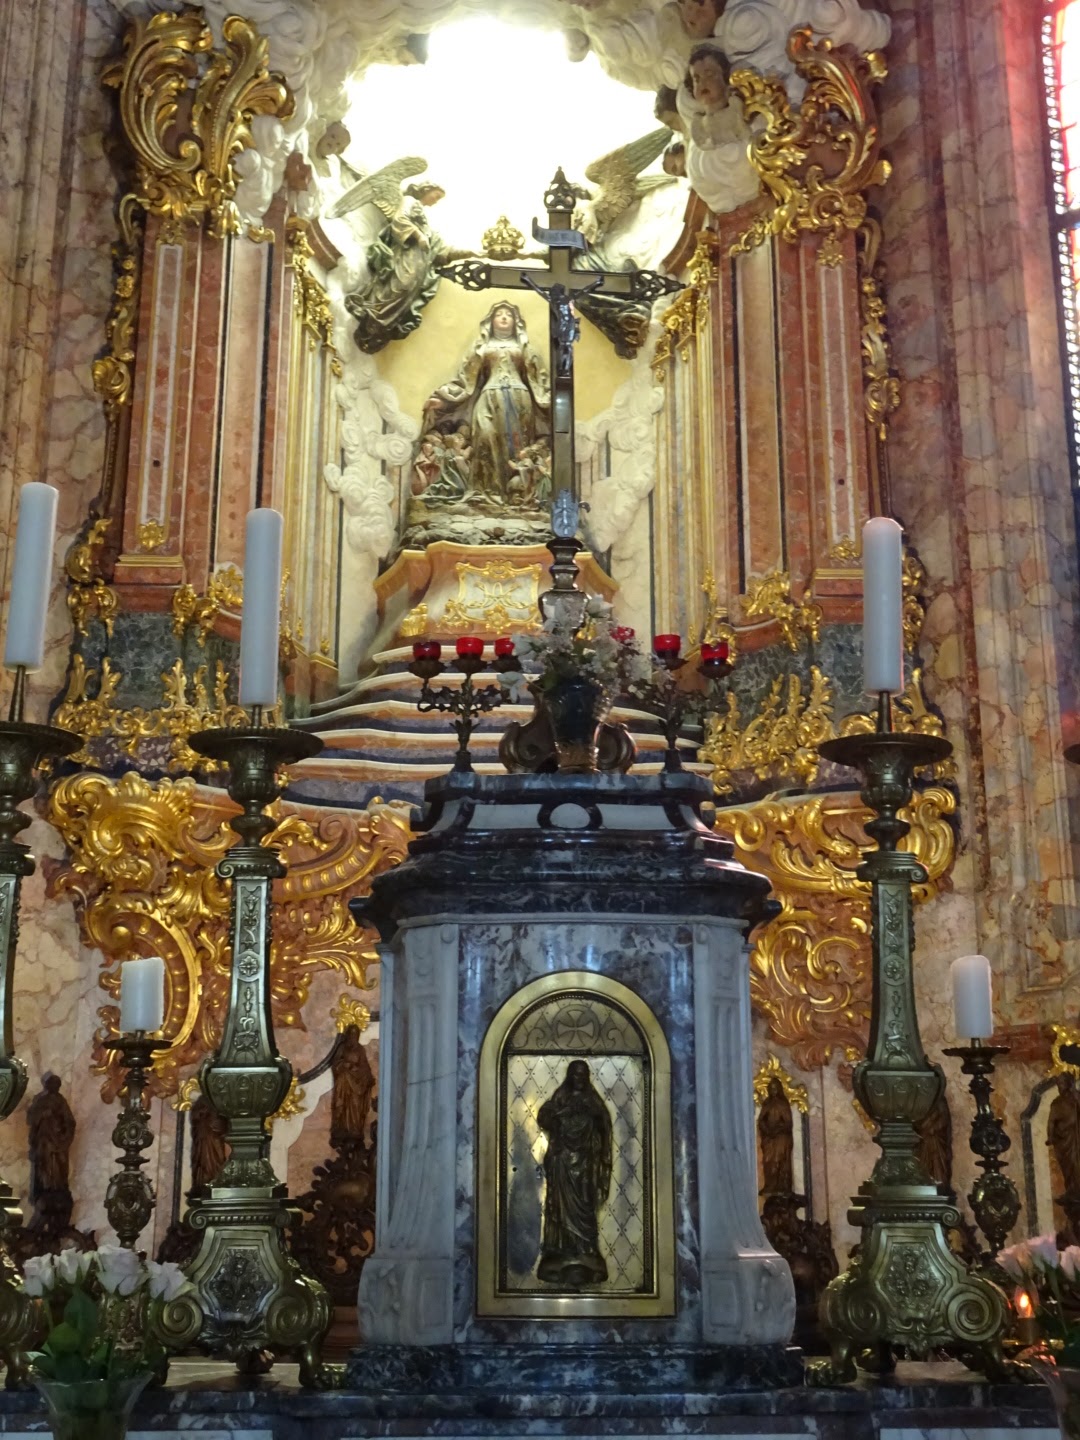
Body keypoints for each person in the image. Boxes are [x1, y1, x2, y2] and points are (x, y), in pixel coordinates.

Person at [420, 302, 551, 507]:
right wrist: (444, 400)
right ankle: (484, 491)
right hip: (488, 396)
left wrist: (553, 404)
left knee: (516, 443)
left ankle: (516, 494)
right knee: (484, 437)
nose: (504, 317)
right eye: (499, 314)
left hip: (519, 399)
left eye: (509, 314)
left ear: (516, 321)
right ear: (490, 320)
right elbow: (465, 379)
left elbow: (539, 380)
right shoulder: (481, 347)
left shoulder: (526, 348)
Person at [536, 1060, 613, 1287]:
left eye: (583, 1074)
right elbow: (545, 1117)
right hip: (562, 1163)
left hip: (585, 1166)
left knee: (585, 1207)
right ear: (570, 1076)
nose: (580, 1078)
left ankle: (586, 1250)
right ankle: (560, 1251)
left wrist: (594, 1120)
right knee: (559, 1209)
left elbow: (604, 1126)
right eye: (576, 1074)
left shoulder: (593, 1102)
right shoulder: (561, 1098)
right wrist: (559, 1114)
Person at [27, 1075, 76, 1202]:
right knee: (44, 1163)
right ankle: (45, 1186)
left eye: (56, 1085)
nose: (54, 1087)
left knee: (59, 1165)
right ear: (47, 1085)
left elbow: (70, 1121)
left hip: (58, 1140)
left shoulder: (61, 1101)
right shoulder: (41, 1100)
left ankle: (57, 1187)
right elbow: (32, 1118)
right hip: (44, 1138)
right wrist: (43, 1115)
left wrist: (64, 1136)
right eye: (51, 1084)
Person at [330, 1024, 376, 1152]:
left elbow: (365, 1067)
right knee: (342, 1106)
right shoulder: (342, 1048)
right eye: (351, 1034)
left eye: (356, 1035)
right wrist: (344, 1065)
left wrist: (367, 1077)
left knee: (355, 1107)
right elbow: (335, 1065)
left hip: (357, 1086)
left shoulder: (360, 1050)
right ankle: (341, 1130)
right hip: (344, 1085)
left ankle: (355, 1130)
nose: (353, 1037)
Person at [758, 1076, 795, 1196]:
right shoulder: (767, 1104)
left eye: (775, 1089)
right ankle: (770, 1185)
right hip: (769, 1138)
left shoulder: (783, 1104)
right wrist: (767, 1130)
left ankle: (782, 1186)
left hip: (781, 1138)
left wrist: (777, 1130)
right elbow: (761, 1120)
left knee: (780, 1161)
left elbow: (788, 1123)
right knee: (768, 1161)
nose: (773, 1091)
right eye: (771, 1089)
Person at [1048, 1073, 1080, 1199]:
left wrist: (1077, 1098)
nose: (1059, 1087)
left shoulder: (1077, 1097)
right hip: (1064, 1141)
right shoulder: (1056, 1103)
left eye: (1061, 1084)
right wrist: (1050, 1136)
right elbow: (1051, 1122)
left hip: (1077, 1138)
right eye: (1058, 1084)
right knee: (1069, 1168)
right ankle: (1072, 1189)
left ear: (1068, 1084)